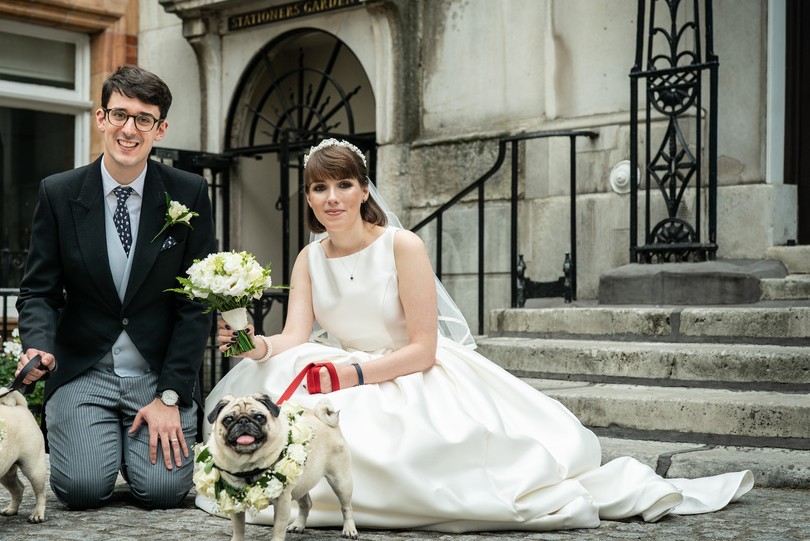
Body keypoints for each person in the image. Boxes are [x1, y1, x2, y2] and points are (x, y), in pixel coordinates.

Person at [197, 138, 752, 532]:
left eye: (344, 184)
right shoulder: (308, 257)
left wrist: (353, 373)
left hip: (404, 369)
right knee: (274, 396)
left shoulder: (401, 246)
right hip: (333, 364)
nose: (332, 198)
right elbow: (294, 334)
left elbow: (424, 347)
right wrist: (250, 342)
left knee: (415, 451)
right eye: (320, 188)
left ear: (364, 190)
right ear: (310, 197)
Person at [15, 65, 216, 510]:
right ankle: (99, 446)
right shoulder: (58, 192)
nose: (130, 128)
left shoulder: (190, 193)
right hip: (84, 371)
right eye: (120, 114)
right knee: (82, 491)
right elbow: (39, 292)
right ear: (101, 118)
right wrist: (38, 345)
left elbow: (197, 305)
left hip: (156, 375)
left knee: (163, 493)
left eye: (144, 118)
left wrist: (169, 395)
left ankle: (134, 447)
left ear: (159, 129)